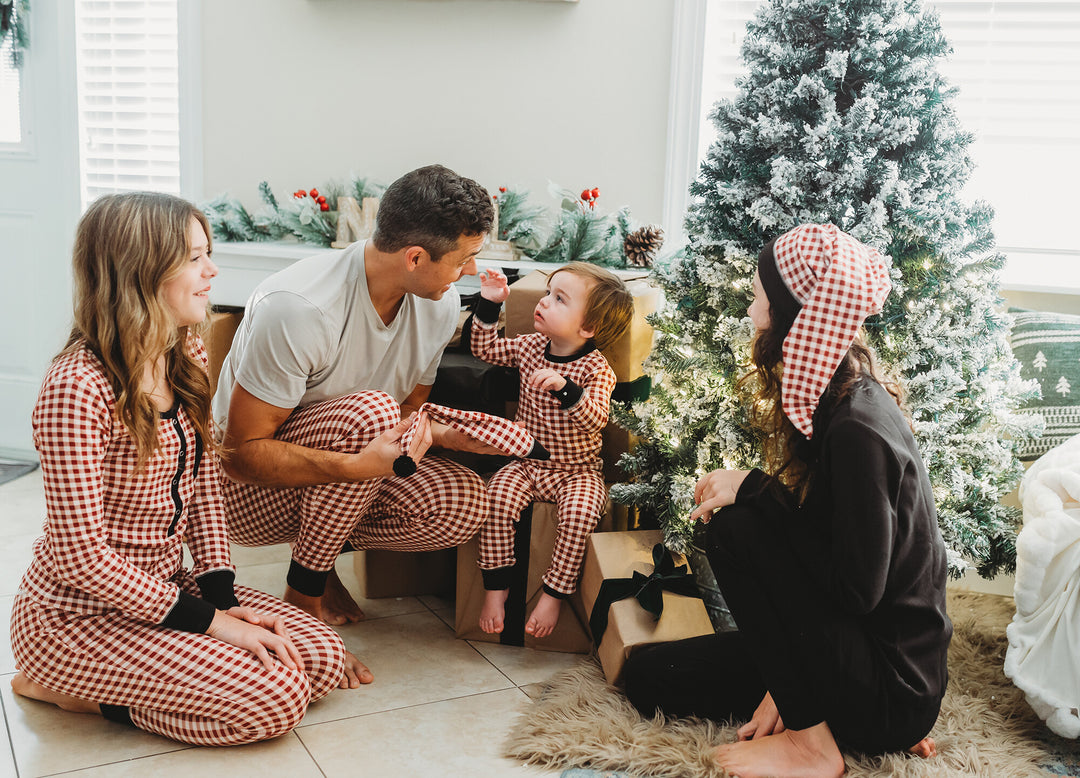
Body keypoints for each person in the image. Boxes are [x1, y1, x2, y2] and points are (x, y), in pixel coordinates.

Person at [9, 192, 348, 746]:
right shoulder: (77, 387)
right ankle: (74, 691)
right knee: (277, 700)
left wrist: (223, 598)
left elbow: (205, 487)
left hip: (164, 589)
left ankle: (171, 667)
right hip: (77, 619)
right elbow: (80, 557)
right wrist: (214, 626)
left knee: (321, 658)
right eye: (194, 257)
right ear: (139, 270)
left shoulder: (186, 349)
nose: (213, 269)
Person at [622, 224, 952, 778]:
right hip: (855, 654)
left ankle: (812, 746)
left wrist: (754, 490)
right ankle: (815, 710)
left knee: (734, 528)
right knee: (653, 677)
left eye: (760, 298)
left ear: (797, 313)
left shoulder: (857, 430)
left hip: (889, 686)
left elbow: (857, 592)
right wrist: (790, 677)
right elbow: (826, 551)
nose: (753, 312)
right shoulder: (846, 396)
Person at [213, 165, 495, 682]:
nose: (470, 271)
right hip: (238, 496)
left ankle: (317, 559)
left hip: (335, 481)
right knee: (372, 413)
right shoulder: (298, 308)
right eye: (464, 258)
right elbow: (239, 456)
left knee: (465, 502)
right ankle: (303, 598)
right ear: (414, 257)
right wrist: (362, 460)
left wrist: (438, 433)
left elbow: (410, 411)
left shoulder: (439, 303)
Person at [470, 262, 634, 638]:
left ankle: (554, 593)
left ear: (587, 328)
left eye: (559, 299)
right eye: (548, 293)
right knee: (494, 497)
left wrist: (565, 387)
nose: (543, 303)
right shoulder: (530, 347)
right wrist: (490, 303)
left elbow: (595, 420)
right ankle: (496, 589)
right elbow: (484, 348)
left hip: (578, 471)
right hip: (528, 462)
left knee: (581, 513)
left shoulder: (597, 369)